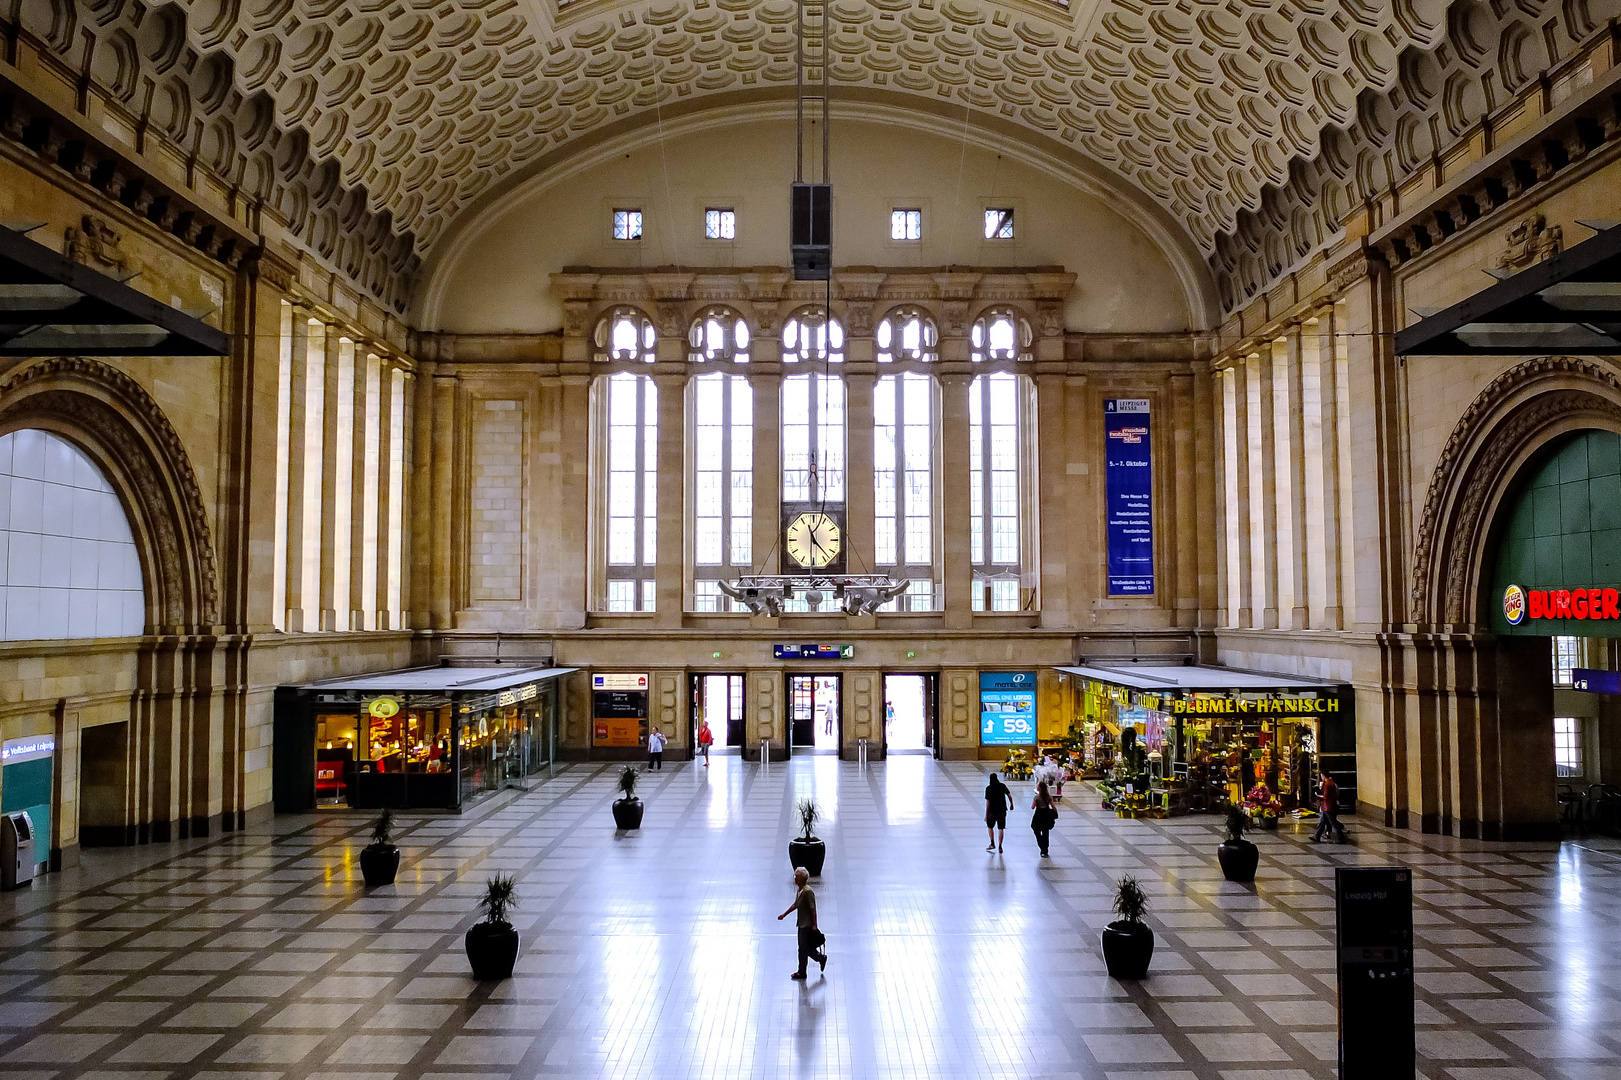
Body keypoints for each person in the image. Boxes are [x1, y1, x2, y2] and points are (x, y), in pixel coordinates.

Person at [776, 867, 826, 980]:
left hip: (807, 925)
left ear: (803, 878)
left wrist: (814, 924)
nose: (795, 879)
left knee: (803, 949)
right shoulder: (800, 891)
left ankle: (802, 972)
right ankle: (820, 958)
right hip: (801, 923)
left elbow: (813, 909)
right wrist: (784, 914)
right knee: (805, 948)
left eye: (797, 876)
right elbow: (796, 904)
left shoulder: (808, 892)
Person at [984, 771, 1013, 852]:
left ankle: (992, 843)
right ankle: (1000, 845)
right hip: (1002, 810)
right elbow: (1009, 796)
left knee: (990, 827)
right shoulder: (1002, 786)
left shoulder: (988, 788)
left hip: (992, 811)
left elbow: (988, 802)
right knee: (1001, 828)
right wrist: (1011, 804)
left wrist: (986, 814)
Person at [1313, 769, 1345, 842]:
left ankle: (1341, 836)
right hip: (1327, 806)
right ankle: (1316, 835)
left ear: (1323, 775)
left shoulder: (1328, 784)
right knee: (1322, 821)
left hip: (1328, 806)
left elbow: (1326, 796)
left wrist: (1318, 795)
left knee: (1333, 822)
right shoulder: (1329, 783)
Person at [1031, 779, 1056, 857]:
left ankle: (1042, 845)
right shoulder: (1048, 797)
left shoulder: (1037, 797)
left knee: (1036, 830)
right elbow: (1054, 807)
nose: (1037, 787)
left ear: (1040, 788)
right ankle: (1045, 849)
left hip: (1038, 815)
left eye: (1038, 786)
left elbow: (1033, 807)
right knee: (1046, 832)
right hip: (1046, 815)